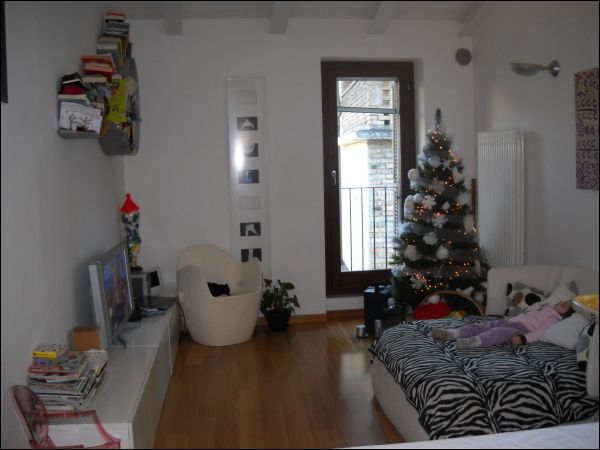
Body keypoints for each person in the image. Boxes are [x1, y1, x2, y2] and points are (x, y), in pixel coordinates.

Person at [431, 300, 573, 349]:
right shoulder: (545, 307)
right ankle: (454, 333)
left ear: (563, 315)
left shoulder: (553, 319)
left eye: (564, 305)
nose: (561, 302)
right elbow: (527, 312)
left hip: (522, 329)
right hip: (511, 321)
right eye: (563, 301)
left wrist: (524, 339)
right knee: (483, 325)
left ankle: (475, 341)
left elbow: (540, 332)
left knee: (498, 333)